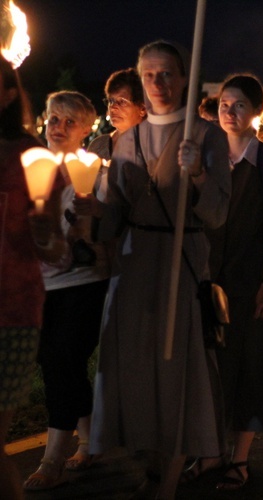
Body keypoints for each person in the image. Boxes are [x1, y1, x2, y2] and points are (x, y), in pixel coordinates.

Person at [86, 40, 231, 500]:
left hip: (179, 264)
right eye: (149, 75)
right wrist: (87, 202)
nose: (158, 83)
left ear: (183, 78)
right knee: (135, 372)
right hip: (133, 268)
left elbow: (217, 214)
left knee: (175, 373)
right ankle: (151, 469)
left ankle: (166, 484)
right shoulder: (125, 140)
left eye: (167, 74)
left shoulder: (206, 137)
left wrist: (201, 176)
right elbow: (113, 213)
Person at [183, 74, 263, 490]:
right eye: (225, 104)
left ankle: (240, 457)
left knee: (250, 366)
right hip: (208, 277)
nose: (230, 112)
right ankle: (210, 453)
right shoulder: (207, 160)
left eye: (240, 105)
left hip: (250, 279)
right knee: (209, 369)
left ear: (257, 112)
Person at [22, 91, 111, 492]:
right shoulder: (28, 167)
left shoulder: (94, 174)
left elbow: (105, 236)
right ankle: (91, 442)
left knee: (62, 359)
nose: (58, 127)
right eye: (53, 119)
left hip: (81, 284)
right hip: (38, 285)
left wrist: (88, 226)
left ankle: (52, 459)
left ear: (87, 128)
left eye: (69, 122)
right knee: (57, 362)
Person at [0, 56, 64, 500]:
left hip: (11, 311)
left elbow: (57, 249)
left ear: (7, 93)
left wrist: (45, 234)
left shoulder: (30, 156)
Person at [88, 68, 147, 161]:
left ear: (143, 109)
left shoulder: (154, 148)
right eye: (111, 101)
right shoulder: (98, 146)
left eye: (122, 102)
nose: (112, 107)